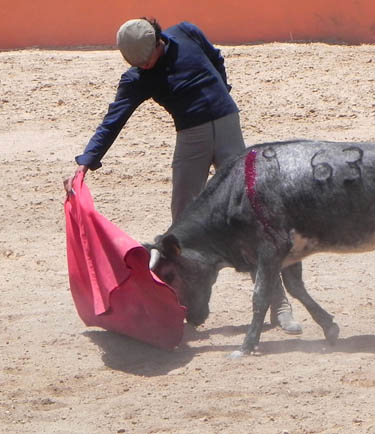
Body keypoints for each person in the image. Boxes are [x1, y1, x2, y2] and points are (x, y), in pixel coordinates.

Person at [64, 18, 302, 334]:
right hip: (192, 138)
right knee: (183, 224)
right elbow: (113, 120)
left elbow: (216, 57)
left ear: (158, 41)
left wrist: (222, 91)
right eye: (138, 63)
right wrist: (86, 161)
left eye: (147, 59)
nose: (145, 66)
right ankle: (184, 300)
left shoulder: (187, 32)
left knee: (249, 217)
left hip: (229, 125)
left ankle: (278, 302)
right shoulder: (139, 77)